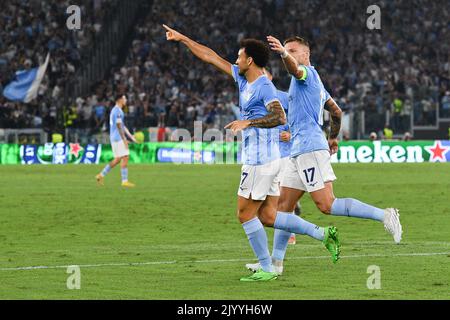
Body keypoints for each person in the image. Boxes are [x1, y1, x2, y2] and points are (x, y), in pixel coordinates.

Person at [163, 24, 340, 281]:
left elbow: (279, 116)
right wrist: (183, 39)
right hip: (266, 158)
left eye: (238, 56)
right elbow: (210, 57)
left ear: (250, 60)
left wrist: (248, 123)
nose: (235, 60)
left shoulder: (264, 87)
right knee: (269, 216)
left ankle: (267, 267)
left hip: (260, 159)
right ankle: (322, 234)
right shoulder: (242, 77)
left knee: (244, 213)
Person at [247, 35, 402, 274]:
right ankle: (275, 264)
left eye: (293, 50)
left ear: (305, 54)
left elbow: (296, 70)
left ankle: (385, 215)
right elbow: (336, 111)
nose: (287, 53)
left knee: (327, 205)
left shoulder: (308, 74)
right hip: (299, 151)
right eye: (286, 49)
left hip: (309, 148)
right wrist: (333, 137)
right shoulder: (312, 85)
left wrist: (284, 55)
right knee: (283, 207)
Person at [96, 94, 137, 187]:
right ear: (119, 100)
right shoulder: (118, 111)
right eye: (124, 98)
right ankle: (124, 181)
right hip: (118, 137)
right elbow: (119, 126)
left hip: (114, 137)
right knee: (125, 156)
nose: (126, 100)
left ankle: (100, 175)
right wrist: (124, 139)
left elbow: (122, 126)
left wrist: (131, 136)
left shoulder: (115, 110)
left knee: (118, 159)